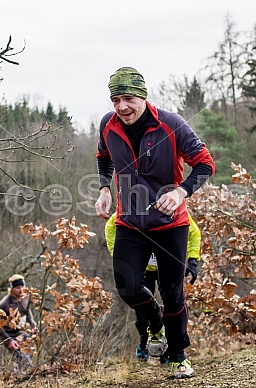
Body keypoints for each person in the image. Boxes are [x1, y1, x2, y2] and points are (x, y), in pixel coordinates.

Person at [95, 67, 214, 379]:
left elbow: (205, 164)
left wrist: (180, 191)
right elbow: (104, 156)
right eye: (116, 99)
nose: (122, 107)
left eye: (129, 99)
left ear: (143, 97)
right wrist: (104, 187)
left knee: (173, 293)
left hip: (170, 225)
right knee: (127, 286)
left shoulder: (171, 124)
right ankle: (155, 321)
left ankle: (178, 356)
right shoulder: (107, 125)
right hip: (129, 222)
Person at [104, 211, 201, 363]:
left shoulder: (172, 211)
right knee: (142, 309)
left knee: (173, 301)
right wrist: (121, 258)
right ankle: (145, 341)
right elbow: (111, 229)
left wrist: (193, 261)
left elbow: (194, 233)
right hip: (145, 266)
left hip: (166, 262)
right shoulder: (129, 211)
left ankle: (171, 350)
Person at [0, 274, 38, 369]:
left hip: (22, 332)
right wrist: (9, 340)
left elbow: (28, 312)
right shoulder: (4, 304)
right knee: (20, 358)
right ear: (12, 289)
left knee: (26, 356)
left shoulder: (25, 298)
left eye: (22, 287)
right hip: (10, 335)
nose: (21, 290)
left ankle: (24, 374)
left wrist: (33, 326)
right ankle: (19, 376)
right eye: (18, 288)